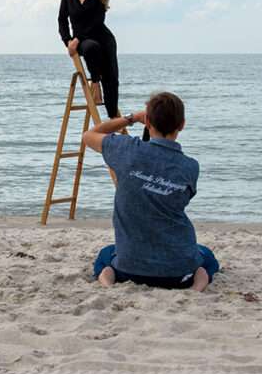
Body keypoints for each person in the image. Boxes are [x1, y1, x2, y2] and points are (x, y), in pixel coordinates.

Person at [83, 91, 219, 291]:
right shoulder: (190, 167)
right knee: (206, 257)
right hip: (178, 271)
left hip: (130, 268)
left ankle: (107, 276)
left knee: (106, 255)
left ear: (147, 122)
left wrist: (131, 118)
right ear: (182, 125)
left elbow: (89, 135)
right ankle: (198, 282)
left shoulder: (127, 149)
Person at [58, 0, 119, 119]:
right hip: (84, 42)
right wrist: (68, 41)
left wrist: (77, 38)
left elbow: (96, 23)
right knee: (91, 48)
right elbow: (62, 20)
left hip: (103, 38)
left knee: (111, 77)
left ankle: (113, 118)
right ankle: (95, 84)